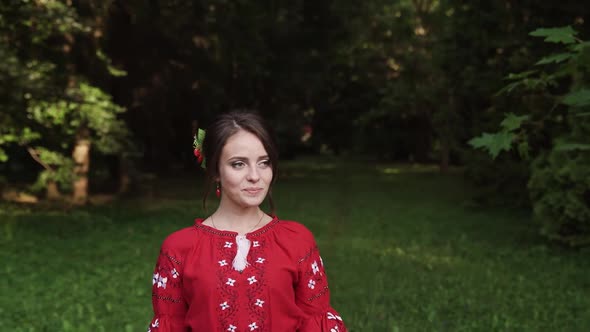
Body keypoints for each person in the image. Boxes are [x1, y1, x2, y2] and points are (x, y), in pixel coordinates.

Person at [147, 111, 347, 332]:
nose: (255, 175)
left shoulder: (297, 241)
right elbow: (170, 325)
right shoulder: (179, 249)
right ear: (215, 170)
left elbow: (315, 321)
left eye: (264, 162)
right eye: (238, 164)